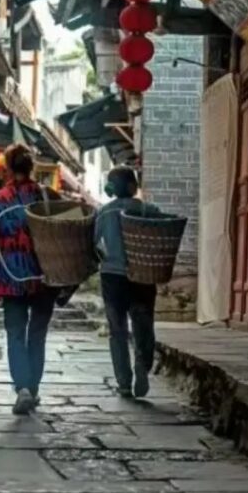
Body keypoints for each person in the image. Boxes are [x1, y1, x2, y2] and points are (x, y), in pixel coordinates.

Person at [0, 143, 56, 415]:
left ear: (9, 168)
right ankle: (32, 389)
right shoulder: (46, 196)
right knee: (38, 335)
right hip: (44, 275)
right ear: (31, 166)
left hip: (11, 276)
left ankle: (22, 388)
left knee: (15, 333)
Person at [94, 166, 161, 399]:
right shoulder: (149, 210)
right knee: (143, 324)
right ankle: (142, 364)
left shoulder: (103, 213)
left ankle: (123, 382)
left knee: (118, 330)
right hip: (142, 275)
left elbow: (92, 245)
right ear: (133, 187)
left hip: (112, 277)